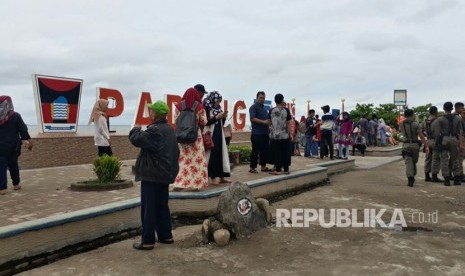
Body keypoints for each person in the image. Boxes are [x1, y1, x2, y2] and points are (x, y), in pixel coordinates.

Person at [129, 100, 180, 250]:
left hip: (152, 175)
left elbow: (136, 139)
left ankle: (148, 241)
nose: (149, 113)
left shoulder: (154, 130)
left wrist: (135, 129)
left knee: (148, 208)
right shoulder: (170, 130)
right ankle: (166, 236)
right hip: (164, 175)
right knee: (162, 206)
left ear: (155, 114)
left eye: (151, 111)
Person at [172, 88, 209, 191]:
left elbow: (175, 121)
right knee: (197, 160)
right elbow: (204, 122)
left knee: (183, 160)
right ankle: (196, 184)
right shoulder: (199, 106)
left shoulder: (179, 106)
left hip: (182, 136)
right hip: (194, 136)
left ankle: (179, 183)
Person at [0, 96, 33, 194]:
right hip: (14, 146)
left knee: (1, 166)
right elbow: (23, 130)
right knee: (13, 164)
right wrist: (29, 140)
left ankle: (2, 188)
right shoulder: (15, 116)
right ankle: (16, 184)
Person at [203, 91, 231, 185]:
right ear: (213, 99)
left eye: (220, 101)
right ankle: (213, 177)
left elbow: (221, 122)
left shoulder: (218, 108)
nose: (218, 103)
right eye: (217, 101)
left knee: (221, 154)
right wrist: (216, 118)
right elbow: (205, 122)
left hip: (219, 133)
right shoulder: (207, 108)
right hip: (212, 133)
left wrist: (223, 117)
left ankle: (222, 176)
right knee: (213, 155)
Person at [435, 102, 463, 186]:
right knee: (456, 158)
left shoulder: (440, 119)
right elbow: (460, 132)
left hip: (444, 139)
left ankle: (446, 179)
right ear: (452, 108)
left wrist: (437, 142)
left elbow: (437, 133)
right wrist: (461, 143)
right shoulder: (458, 118)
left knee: (444, 159)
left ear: (444, 108)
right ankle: (457, 179)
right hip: (454, 139)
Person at [400, 109, 429, 187]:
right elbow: (421, 136)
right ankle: (411, 176)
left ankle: (411, 177)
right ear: (412, 115)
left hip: (406, 145)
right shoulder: (416, 124)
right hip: (415, 145)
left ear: (405, 115)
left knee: (408, 162)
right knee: (413, 162)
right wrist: (426, 145)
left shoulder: (401, 124)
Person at [268, 94, 292, 175]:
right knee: (285, 152)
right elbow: (289, 123)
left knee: (277, 152)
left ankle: (278, 170)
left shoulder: (271, 110)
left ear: (275, 101)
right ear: (282, 100)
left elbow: (269, 122)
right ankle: (286, 169)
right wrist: (290, 134)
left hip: (275, 136)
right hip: (285, 135)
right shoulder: (286, 110)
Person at [248, 91, 271, 173]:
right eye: (261, 97)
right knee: (255, 151)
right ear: (257, 98)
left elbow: (267, 120)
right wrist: (264, 122)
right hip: (256, 133)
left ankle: (263, 167)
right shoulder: (253, 107)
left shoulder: (265, 109)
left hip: (265, 133)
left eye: (263, 98)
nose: (262, 99)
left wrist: (269, 124)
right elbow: (252, 118)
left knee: (264, 151)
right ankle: (252, 168)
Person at [422, 106, 442, 182]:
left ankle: (427, 175)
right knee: (435, 159)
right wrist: (438, 143)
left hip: (428, 140)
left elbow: (422, 130)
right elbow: (437, 133)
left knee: (428, 158)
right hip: (434, 141)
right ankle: (434, 176)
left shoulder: (425, 121)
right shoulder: (437, 121)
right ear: (436, 112)